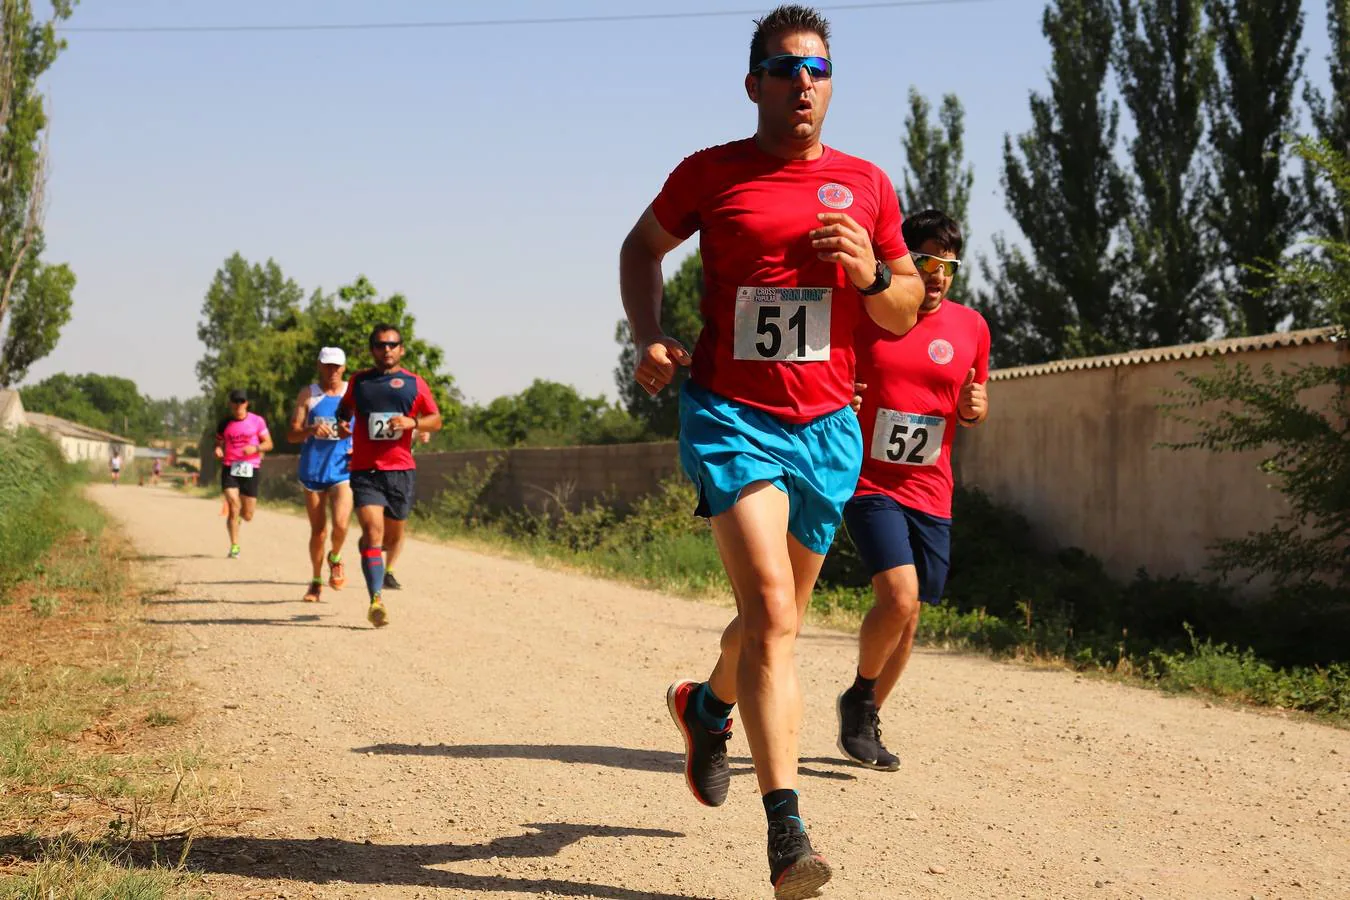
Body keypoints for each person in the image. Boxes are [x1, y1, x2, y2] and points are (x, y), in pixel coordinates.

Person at [619, 6, 923, 896]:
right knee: (777, 620)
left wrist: (871, 270)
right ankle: (787, 832)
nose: (803, 83)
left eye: (819, 69)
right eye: (786, 68)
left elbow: (902, 308)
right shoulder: (711, 173)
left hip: (827, 427)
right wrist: (649, 333)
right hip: (731, 415)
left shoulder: (867, 185)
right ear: (753, 82)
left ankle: (703, 707)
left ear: (831, 84)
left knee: (769, 618)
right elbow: (642, 246)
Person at [835, 209, 990, 770]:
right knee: (897, 596)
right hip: (869, 480)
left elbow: (971, 402)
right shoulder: (864, 315)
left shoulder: (971, 327)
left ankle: (866, 711)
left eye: (948, 265)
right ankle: (859, 698)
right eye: (925, 261)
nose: (937, 275)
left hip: (932, 489)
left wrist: (975, 410)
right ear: (898, 261)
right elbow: (832, 380)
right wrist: (840, 399)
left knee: (911, 614)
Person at [337, 324, 442, 628]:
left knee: (393, 536)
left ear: (402, 349)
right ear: (372, 349)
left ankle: (376, 560)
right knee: (373, 532)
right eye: (381, 345)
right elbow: (344, 412)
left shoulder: (414, 383)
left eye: (393, 344)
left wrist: (412, 422)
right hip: (365, 470)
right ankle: (376, 600)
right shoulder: (359, 382)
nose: (387, 350)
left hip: (400, 470)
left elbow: (435, 420)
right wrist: (343, 424)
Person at [287, 347, 355, 604]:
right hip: (313, 470)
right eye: (328, 365)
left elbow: (366, 427)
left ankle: (335, 558)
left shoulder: (353, 393)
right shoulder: (309, 394)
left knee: (341, 523)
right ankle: (315, 581)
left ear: (344, 367)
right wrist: (311, 429)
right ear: (319, 365)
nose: (333, 370)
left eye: (337, 366)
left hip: (342, 469)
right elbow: (292, 435)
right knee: (319, 531)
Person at [214, 389, 274, 559]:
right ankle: (235, 546)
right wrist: (218, 449)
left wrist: (255, 448)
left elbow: (269, 444)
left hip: (250, 468)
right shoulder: (224, 423)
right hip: (230, 467)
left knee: (247, 515)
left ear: (247, 403)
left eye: (242, 401)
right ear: (230, 403)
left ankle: (238, 519)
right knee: (233, 505)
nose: (239, 405)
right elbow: (218, 442)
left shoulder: (257, 421)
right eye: (236, 401)